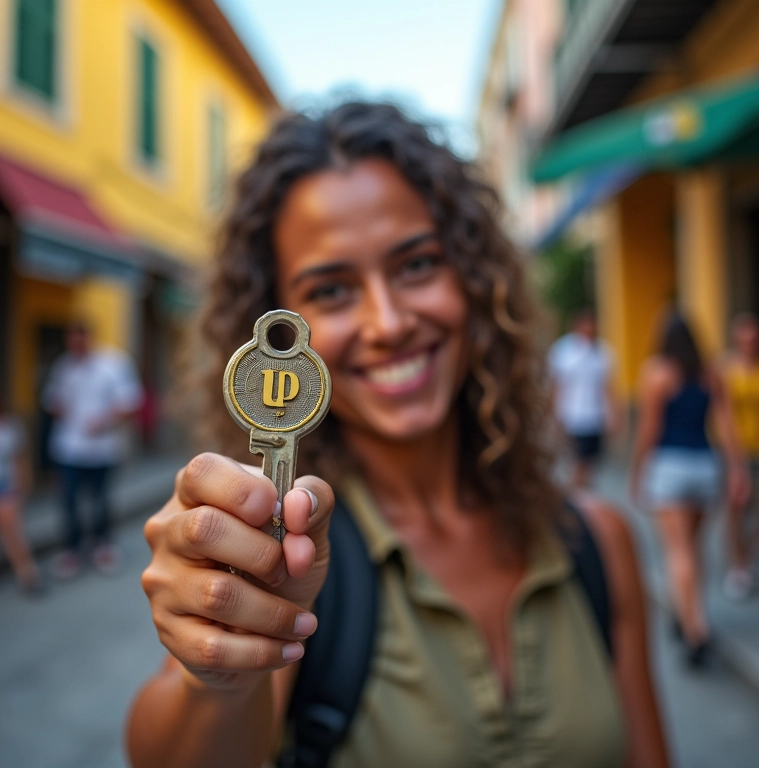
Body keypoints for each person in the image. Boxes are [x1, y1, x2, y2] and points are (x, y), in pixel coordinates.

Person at [127, 102, 668, 767]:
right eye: (331, 291)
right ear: (278, 325)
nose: (387, 323)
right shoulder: (287, 558)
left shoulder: (598, 544)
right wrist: (213, 677)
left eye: (416, 266)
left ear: (475, 280)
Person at [629, 312, 748, 666]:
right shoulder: (712, 373)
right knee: (694, 550)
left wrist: (637, 471)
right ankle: (693, 614)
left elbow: (650, 429)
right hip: (705, 467)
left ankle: (694, 628)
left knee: (677, 550)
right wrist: (736, 468)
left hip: (669, 467)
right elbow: (727, 425)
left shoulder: (657, 373)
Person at [43, 321, 143, 578]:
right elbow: (52, 399)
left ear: (89, 338)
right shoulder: (63, 366)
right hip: (68, 447)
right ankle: (72, 550)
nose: (76, 346)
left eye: (80, 340)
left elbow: (131, 401)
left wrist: (105, 420)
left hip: (103, 448)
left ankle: (103, 546)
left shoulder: (112, 364)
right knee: (69, 501)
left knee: (100, 499)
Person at [720, 312, 759, 599]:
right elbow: (721, 414)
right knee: (736, 510)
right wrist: (731, 455)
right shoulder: (726, 370)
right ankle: (738, 566)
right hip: (733, 451)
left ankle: (749, 552)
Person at [548, 308, 621, 489]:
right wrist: (553, 415)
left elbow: (607, 388)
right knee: (578, 463)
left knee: (588, 464)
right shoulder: (563, 351)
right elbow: (556, 386)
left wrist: (614, 416)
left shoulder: (602, 352)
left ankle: (580, 497)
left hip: (594, 417)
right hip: (571, 416)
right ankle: (577, 498)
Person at [0, 392, 41, 592]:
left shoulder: (10, 426)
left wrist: (24, 485)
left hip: (5, 485)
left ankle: (28, 576)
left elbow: (20, 458)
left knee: (14, 535)